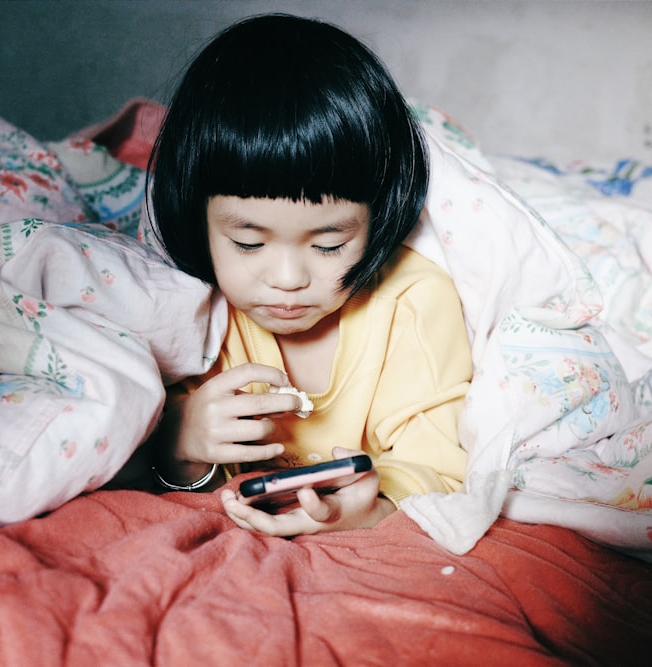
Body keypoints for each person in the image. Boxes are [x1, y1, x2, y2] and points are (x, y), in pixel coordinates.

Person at [146, 13, 473, 536]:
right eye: (248, 243)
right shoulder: (182, 304)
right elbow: (141, 462)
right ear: (195, 217)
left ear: (378, 219)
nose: (287, 278)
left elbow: (437, 462)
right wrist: (180, 438)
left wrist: (375, 507)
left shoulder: (411, 300)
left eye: (329, 244)